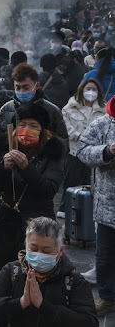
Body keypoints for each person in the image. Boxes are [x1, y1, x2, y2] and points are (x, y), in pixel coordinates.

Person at [0, 103, 64, 274]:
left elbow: (49, 189)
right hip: (8, 222)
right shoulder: (4, 147)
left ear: (43, 130)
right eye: (22, 125)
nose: (26, 130)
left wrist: (26, 168)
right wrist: (4, 168)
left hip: (37, 221)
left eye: (33, 126)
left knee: (34, 270)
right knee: (4, 271)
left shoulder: (52, 152)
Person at [0, 216, 97, 326]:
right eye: (33, 249)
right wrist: (20, 303)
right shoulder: (12, 271)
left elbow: (89, 322)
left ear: (60, 251)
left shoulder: (73, 281)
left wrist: (43, 306)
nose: (39, 255)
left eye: (46, 251)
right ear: (25, 246)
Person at [77, 95, 115, 316]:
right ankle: (108, 297)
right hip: (107, 207)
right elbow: (82, 151)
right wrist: (107, 152)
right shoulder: (102, 123)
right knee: (105, 256)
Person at [0, 64, 69, 148]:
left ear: (36, 86)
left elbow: (63, 142)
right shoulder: (6, 109)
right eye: (18, 88)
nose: (21, 91)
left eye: (26, 88)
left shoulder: (51, 110)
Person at [59, 79, 105, 213]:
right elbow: (65, 125)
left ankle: (88, 212)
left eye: (94, 89)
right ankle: (65, 210)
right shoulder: (70, 107)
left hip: (94, 154)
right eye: (88, 88)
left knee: (91, 184)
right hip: (75, 152)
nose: (91, 92)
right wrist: (78, 136)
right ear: (82, 90)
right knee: (70, 181)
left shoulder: (103, 110)